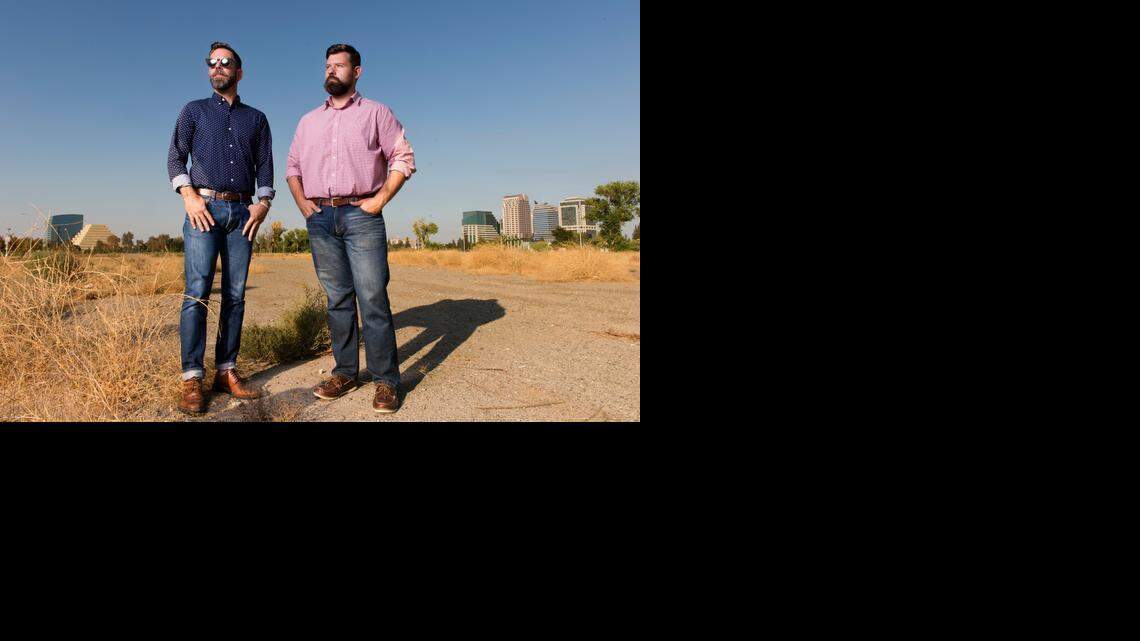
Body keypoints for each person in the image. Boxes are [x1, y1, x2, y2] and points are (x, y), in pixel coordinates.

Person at [285, 43, 415, 413]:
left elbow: (403, 156)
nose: (331, 71)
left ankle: (386, 380)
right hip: (321, 219)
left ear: (356, 72)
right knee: (337, 300)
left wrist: (380, 199)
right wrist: (303, 204)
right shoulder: (308, 120)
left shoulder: (376, 113)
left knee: (372, 297)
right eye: (328, 65)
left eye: (339, 65)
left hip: (362, 215)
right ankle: (345, 372)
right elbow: (293, 166)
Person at [167, 41, 274, 415]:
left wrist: (263, 204)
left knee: (235, 294)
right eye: (212, 63)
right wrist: (189, 197)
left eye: (225, 62)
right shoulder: (193, 111)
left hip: (242, 214)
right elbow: (175, 157)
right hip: (203, 210)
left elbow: (265, 166)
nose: (217, 67)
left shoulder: (256, 118)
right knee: (197, 292)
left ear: (239, 72)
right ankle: (193, 377)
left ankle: (226, 371)